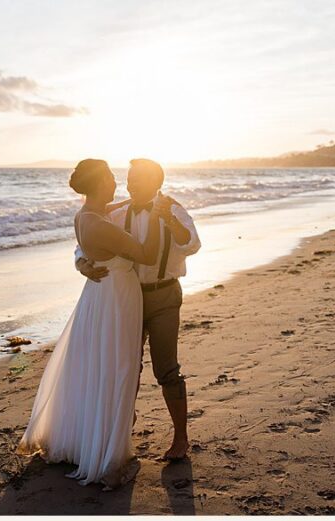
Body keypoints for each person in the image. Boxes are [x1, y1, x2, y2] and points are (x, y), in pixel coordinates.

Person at [18, 158, 169, 488]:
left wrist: (82, 262)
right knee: (117, 368)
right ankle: (106, 456)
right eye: (111, 178)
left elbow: (86, 244)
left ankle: (86, 441)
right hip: (116, 297)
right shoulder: (101, 225)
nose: (116, 183)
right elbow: (145, 254)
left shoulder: (84, 216)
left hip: (97, 296)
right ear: (100, 183)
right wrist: (157, 217)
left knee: (94, 367)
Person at [75, 158, 200, 460]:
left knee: (166, 369)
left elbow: (193, 244)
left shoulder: (173, 208)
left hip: (163, 297)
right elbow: (86, 242)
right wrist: (81, 264)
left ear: (156, 182)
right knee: (126, 367)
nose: (130, 184)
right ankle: (121, 432)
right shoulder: (114, 212)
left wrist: (168, 221)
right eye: (129, 179)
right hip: (126, 298)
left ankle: (180, 439)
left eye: (137, 179)